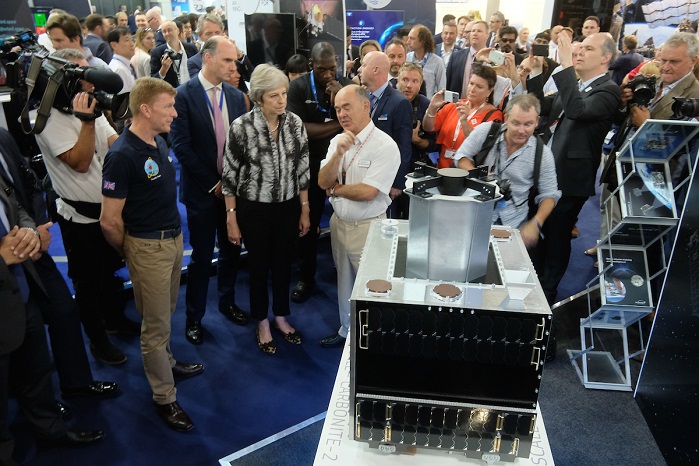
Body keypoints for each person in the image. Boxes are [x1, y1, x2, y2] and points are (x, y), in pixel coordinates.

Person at [101, 77, 204, 433]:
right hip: (148, 248)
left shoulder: (157, 140)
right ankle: (164, 397)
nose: (174, 114)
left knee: (164, 314)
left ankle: (167, 362)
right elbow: (109, 221)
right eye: (168, 107)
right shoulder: (121, 156)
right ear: (145, 109)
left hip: (173, 243)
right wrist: (131, 250)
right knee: (155, 328)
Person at [34, 48, 137, 365]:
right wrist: (88, 121)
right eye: (82, 78)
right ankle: (98, 341)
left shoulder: (89, 104)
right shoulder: (46, 117)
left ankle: (115, 321)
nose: (90, 85)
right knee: (88, 283)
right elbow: (78, 162)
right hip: (78, 217)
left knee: (110, 273)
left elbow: (112, 144)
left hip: (109, 209)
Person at [0, 128, 119, 402]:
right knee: (18, 337)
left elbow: (29, 186)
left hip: (30, 247)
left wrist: (35, 230)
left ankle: (76, 385)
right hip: (6, 262)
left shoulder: (4, 137)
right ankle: (34, 408)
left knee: (64, 312)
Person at [1, 175, 105, 464]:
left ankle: (51, 433)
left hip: (21, 290)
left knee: (36, 374)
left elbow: (15, 206)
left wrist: (29, 232)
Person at [526, 32, 621, 304]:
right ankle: (535, 284)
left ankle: (547, 296)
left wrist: (565, 64)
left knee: (556, 238)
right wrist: (534, 70)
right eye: (576, 50)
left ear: (606, 58)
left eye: (587, 49)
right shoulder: (577, 85)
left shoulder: (608, 90)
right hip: (548, 174)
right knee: (541, 234)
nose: (578, 53)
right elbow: (543, 107)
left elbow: (577, 110)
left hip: (570, 180)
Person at [223, 65, 310, 355]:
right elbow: (230, 177)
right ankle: (261, 321)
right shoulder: (241, 127)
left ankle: (281, 316)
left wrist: (305, 208)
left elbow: (302, 170)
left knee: (284, 263)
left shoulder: (295, 123)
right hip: (253, 208)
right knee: (258, 267)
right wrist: (231, 217)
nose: (282, 100)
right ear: (259, 97)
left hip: (287, 206)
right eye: (274, 95)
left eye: (284, 93)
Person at [170, 37, 250, 345]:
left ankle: (227, 302)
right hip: (202, 193)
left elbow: (240, 144)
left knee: (231, 249)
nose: (234, 67)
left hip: (232, 191)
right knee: (202, 257)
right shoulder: (183, 95)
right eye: (228, 61)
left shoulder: (233, 95)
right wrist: (214, 184)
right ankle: (194, 317)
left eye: (234, 62)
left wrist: (233, 184)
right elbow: (181, 148)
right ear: (207, 58)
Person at [317, 84, 401, 348]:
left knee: (371, 289)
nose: (341, 114)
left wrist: (337, 189)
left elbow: (369, 192)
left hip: (368, 229)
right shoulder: (337, 142)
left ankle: (373, 340)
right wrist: (339, 154)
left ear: (366, 106)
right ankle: (346, 330)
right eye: (338, 108)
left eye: (347, 107)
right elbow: (322, 181)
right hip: (339, 225)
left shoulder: (384, 146)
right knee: (344, 282)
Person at [286, 42, 353, 304]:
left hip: (345, 164)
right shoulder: (299, 87)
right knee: (309, 224)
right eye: (322, 69)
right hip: (311, 165)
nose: (328, 74)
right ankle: (305, 277)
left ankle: (346, 272)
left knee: (347, 220)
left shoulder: (345, 84)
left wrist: (340, 98)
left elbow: (358, 122)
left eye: (332, 69)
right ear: (312, 65)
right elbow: (299, 129)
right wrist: (339, 122)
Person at [454, 94, 561, 248]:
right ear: (506, 118)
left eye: (528, 124)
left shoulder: (543, 154)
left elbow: (550, 195)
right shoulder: (486, 132)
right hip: (473, 214)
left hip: (513, 223)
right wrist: (480, 176)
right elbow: (461, 157)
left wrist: (535, 223)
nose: (521, 130)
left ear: (537, 122)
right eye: (516, 123)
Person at [357, 51, 413, 218]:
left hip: (386, 181)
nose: (359, 69)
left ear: (375, 70)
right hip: (363, 176)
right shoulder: (362, 97)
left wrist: (397, 183)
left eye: (363, 65)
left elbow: (404, 147)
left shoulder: (399, 102)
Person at [423, 64, 503, 168]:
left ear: (489, 91)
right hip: (442, 168)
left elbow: (480, 146)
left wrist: (465, 121)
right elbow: (429, 128)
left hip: (466, 169)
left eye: (479, 87)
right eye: (471, 83)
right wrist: (432, 108)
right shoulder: (454, 105)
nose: (472, 89)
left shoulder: (494, 115)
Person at [396, 62, 440, 173]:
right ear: (398, 81)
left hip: (415, 164)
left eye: (414, 81)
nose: (409, 85)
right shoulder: (388, 101)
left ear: (420, 84)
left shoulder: (427, 105)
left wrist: (417, 140)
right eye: (405, 80)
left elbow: (435, 145)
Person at [446, 20, 489, 100]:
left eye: (479, 31)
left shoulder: (492, 59)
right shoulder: (456, 56)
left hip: (482, 108)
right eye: (473, 31)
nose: (475, 33)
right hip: (457, 106)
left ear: (487, 35)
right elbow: (447, 84)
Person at [150, 20, 197, 89]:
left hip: (192, 89)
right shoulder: (157, 53)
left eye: (169, 30)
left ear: (177, 31)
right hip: (171, 93)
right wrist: (163, 70)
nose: (167, 34)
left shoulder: (191, 48)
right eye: (164, 31)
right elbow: (153, 81)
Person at [406, 25, 446, 98]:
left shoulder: (437, 62)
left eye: (412, 39)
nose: (408, 42)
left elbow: (442, 90)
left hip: (427, 105)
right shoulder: (407, 58)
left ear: (422, 41)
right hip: (408, 103)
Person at [107, 27, 136, 94]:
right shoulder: (119, 69)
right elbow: (124, 101)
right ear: (114, 45)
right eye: (127, 40)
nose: (132, 44)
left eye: (132, 40)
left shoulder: (125, 65)